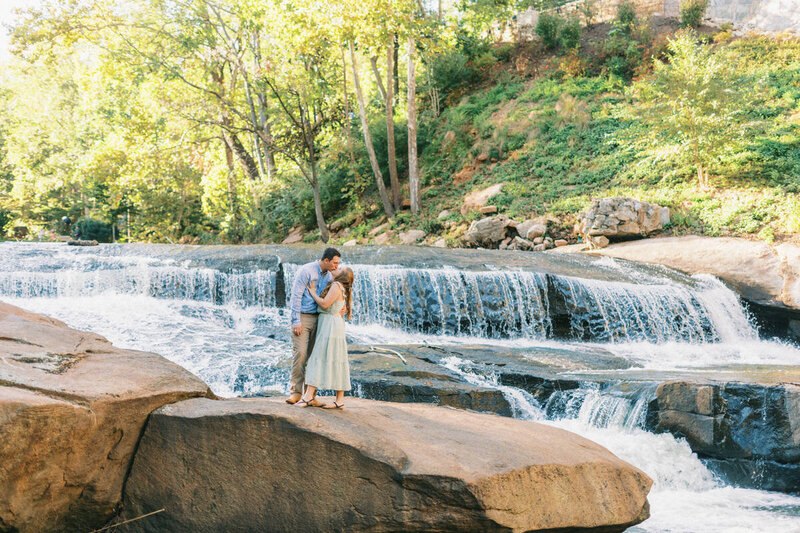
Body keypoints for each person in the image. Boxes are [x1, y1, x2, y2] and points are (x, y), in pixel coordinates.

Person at [286, 248, 342, 405]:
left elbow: (337, 292)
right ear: (326, 260)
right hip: (303, 318)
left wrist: (342, 306)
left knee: (314, 358)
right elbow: (296, 296)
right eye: (335, 263)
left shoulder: (330, 275)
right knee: (300, 354)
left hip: (320, 318)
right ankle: (296, 393)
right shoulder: (307, 271)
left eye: (338, 263)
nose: (337, 266)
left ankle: (310, 396)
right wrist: (296, 321)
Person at [295, 267, 353, 409]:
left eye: (340, 268)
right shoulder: (342, 287)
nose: (337, 267)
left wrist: (313, 292)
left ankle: (308, 396)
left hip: (329, 326)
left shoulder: (336, 285)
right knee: (337, 359)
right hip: (335, 324)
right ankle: (339, 400)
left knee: (318, 357)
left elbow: (325, 303)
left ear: (342, 275)